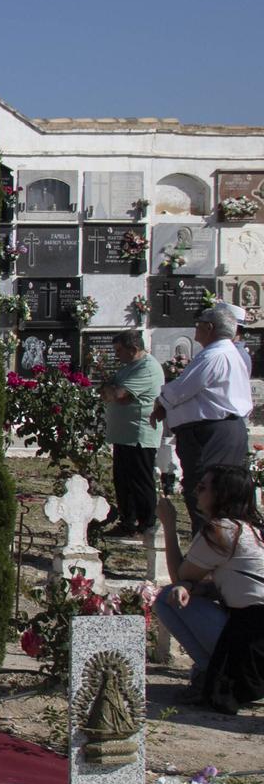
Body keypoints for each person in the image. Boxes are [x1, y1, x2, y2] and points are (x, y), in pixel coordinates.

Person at [153, 466, 264, 711]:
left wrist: (169, 526)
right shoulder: (253, 530)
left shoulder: (222, 530)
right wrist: (197, 588)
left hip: (253, 638)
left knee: (165, 598)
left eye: (203, 487)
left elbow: (179, 575)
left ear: (220, 495)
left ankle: (209, 672)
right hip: (256, 634)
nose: (195, 491)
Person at [154, 301, 255, 532]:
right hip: (219, 430)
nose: (195, 329)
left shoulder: (216, 355)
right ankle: (215, 546)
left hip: (211, 433)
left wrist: (161, 403)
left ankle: (209, 547)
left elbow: (183, 388)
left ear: (210, 327)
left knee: (206, 489)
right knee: (217, 490)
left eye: (198, 325)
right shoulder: (223, 352)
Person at [101, 330, 162, 540]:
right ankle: (128, 522)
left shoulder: (147, 368)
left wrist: (115, 392)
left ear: (134, 349)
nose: (117, 355)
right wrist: (114, 392)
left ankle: (146, 524)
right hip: (123, 435)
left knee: (140, 481)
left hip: (139, 434)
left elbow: (118, 394)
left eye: (119, 351)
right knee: (123, 481)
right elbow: (108, 392)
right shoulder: (128, 367)